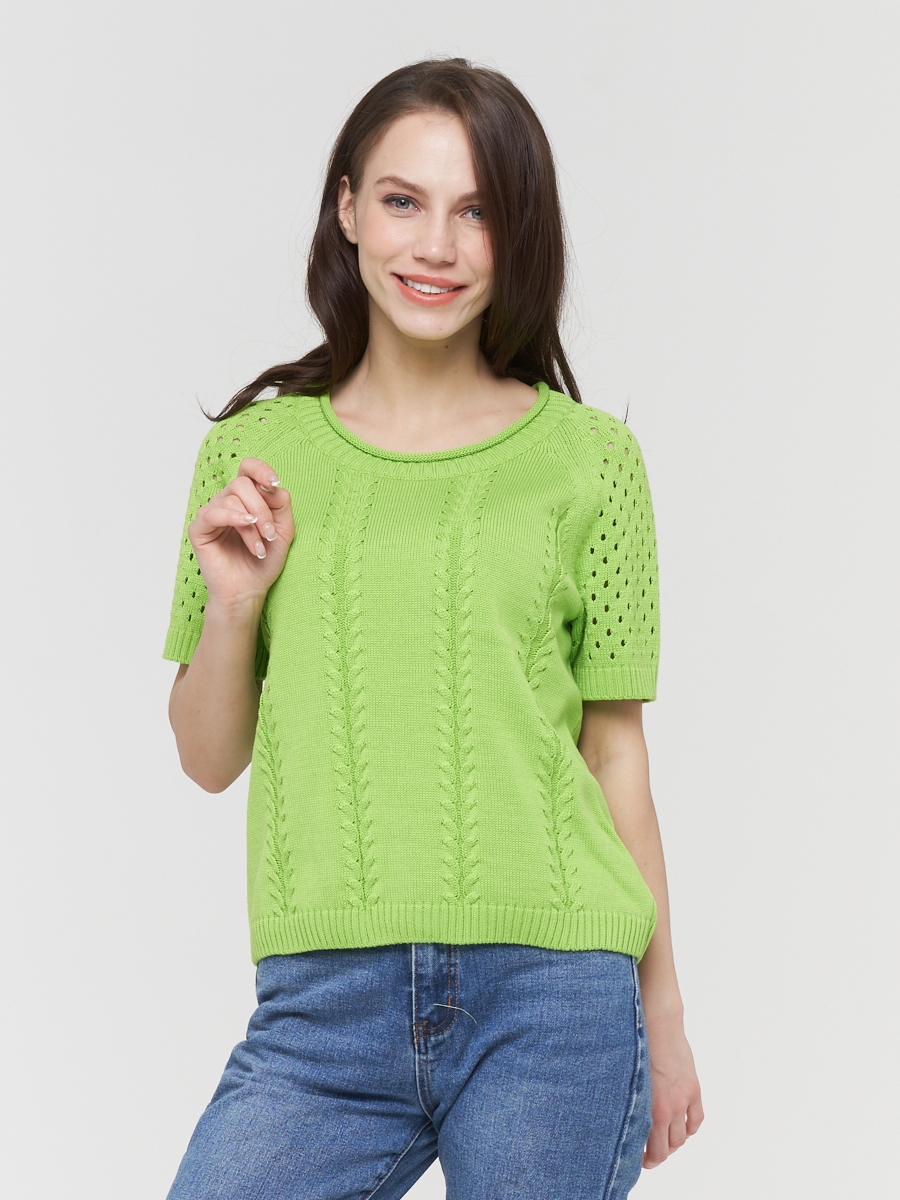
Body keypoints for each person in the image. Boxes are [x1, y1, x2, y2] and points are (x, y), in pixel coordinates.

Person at [162, 57, 703, 1200]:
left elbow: (616, 756)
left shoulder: (591, 461)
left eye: (478, 212)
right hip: (320, 1009)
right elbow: (208, 759)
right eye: (404, 201)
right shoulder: (252, 457)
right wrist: (237, 604)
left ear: (518, 236)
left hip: (555, 995)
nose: (438, 246)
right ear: (348, 209)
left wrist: (665, 1017)